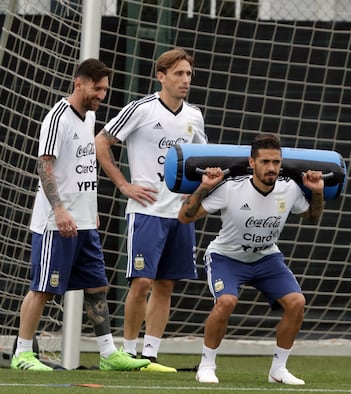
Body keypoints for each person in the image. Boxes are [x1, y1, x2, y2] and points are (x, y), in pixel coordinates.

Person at [11, 58, 150, 372]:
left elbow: (82, 168)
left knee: (97, 286)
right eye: (96, 89)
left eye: (104, 90)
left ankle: (107, 353)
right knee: (44, 288)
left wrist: (91, 210)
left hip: (85, 222)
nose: (101, 96)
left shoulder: (89, 118)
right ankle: (21, 353)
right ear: (79, 83)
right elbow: (44, 166)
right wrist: (59, 209)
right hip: (56, 224)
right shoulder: (58, 118)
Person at [178, 133, 325, 385]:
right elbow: (185, 217)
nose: (271, 168)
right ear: (252, 162)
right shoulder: (231, 188)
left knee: (297, 302)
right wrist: (204, 186)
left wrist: (317, 192)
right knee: (226, 301)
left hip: (266, 258)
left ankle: (278, 370)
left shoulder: (289, 189)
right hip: (226, 257)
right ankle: (206, 365)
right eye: (265, 162)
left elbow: (312, 217)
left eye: (276, 162)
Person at [95, 48, 207, 372]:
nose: (185, 80)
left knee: (166, 284)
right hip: (146, 211)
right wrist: (123, 185)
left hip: (179, 212)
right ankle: (126, 354)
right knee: (141, 282)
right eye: (178, 74)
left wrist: (196, 199)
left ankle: (150, 355)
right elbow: (102, 142)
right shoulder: (140, 110)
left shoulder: (194, 116)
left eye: (188, 74)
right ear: (161, 76)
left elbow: (200, 162)